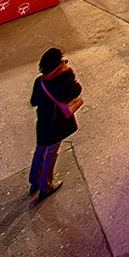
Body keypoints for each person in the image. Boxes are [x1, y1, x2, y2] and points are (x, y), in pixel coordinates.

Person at [29, 47, 81, 198]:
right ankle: (46, 186)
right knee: (51, 153)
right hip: (56, 122)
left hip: (43, 122)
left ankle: (35, 181)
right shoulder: (65, 76)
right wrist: (70, 75)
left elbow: (34, 101)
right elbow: (75, 91)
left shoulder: (40, 81)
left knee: (40, 149)